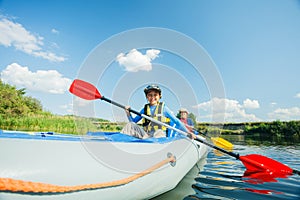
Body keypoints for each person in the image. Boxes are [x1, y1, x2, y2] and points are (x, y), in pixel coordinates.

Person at [121, 84, 188, 139]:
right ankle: (121, 144)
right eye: (150, 95)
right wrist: (128, 113)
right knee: (130, 125)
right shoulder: (144, 109)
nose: (152, 97)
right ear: (147, 97)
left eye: (155, 95)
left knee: (158, 132)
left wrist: (188, 132)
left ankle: (155, 150)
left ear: (159, 96)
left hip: (159, 136)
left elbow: (177, 121)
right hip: (146, 135)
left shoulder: (164, 109)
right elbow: (133, 122)